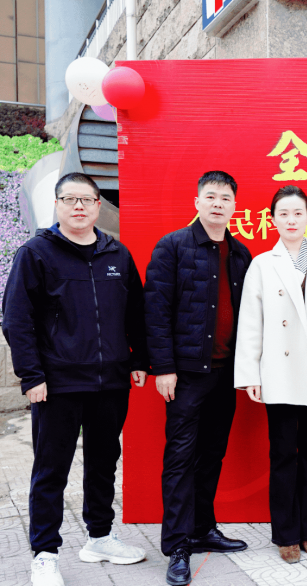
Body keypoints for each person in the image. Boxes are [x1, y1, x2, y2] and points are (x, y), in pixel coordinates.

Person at [2, 172, 149, 586]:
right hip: (57, 384)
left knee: (103, 464)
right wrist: (32, 376)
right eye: (70, 199)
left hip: (111, 382)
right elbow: (16, 319)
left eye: (86, 199)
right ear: (57, 205)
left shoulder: (117, 253)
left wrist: (140, 359)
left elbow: (135, 311)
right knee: (52, 469)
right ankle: (45, 553)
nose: (79, 206)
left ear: (98, 205)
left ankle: (99, 537)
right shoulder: (36, 253)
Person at [144, 171, 252, 586]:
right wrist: (163, 367)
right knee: (180, 459)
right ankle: (177, 546)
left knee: (212, 455)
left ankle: (203, 529)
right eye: (211, 196)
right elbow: (156, 310)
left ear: (234, 206)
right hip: (186, 375)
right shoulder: (173, 246)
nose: (218, 203)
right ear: (197, 202)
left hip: (226, 374)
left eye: (225, 198)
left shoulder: (240, 253)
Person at [234, 185, 307, 564]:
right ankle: (285, 534)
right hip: (280, 371)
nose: (290, 220)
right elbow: (251, 322)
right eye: (283, 213)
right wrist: (251, 374)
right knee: (283, 454)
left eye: (298, 213)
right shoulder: (262, 264)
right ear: (272, 219)